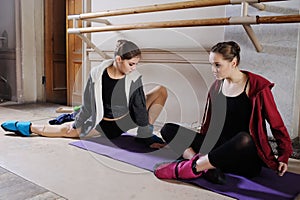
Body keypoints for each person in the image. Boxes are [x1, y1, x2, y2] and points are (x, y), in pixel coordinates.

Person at [154, 41, 293, 183]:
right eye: (212, 64)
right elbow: (209, 124)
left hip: (243, 154)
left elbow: (277, 125)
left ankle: (193, 167)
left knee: (244, 138)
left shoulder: (258, 86)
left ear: (233, 63)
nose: (213, 70)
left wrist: (284, 156)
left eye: (217, 65)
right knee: (168, 129)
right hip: (216, 149)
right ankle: (203, 164)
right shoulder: (217, 86)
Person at [1, 40, 167, 149]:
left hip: (127, 118)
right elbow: (88, 105)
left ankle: (144, 134)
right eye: (131, 64)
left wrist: (146, 136)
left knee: (160, 91)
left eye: (136, 64)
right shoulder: (97, 74)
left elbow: (139, 107)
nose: (134, 68)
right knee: (65, 131)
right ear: (118, 60)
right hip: (105, 125)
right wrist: (77, 123)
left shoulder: (134, 78)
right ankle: (27, 127)